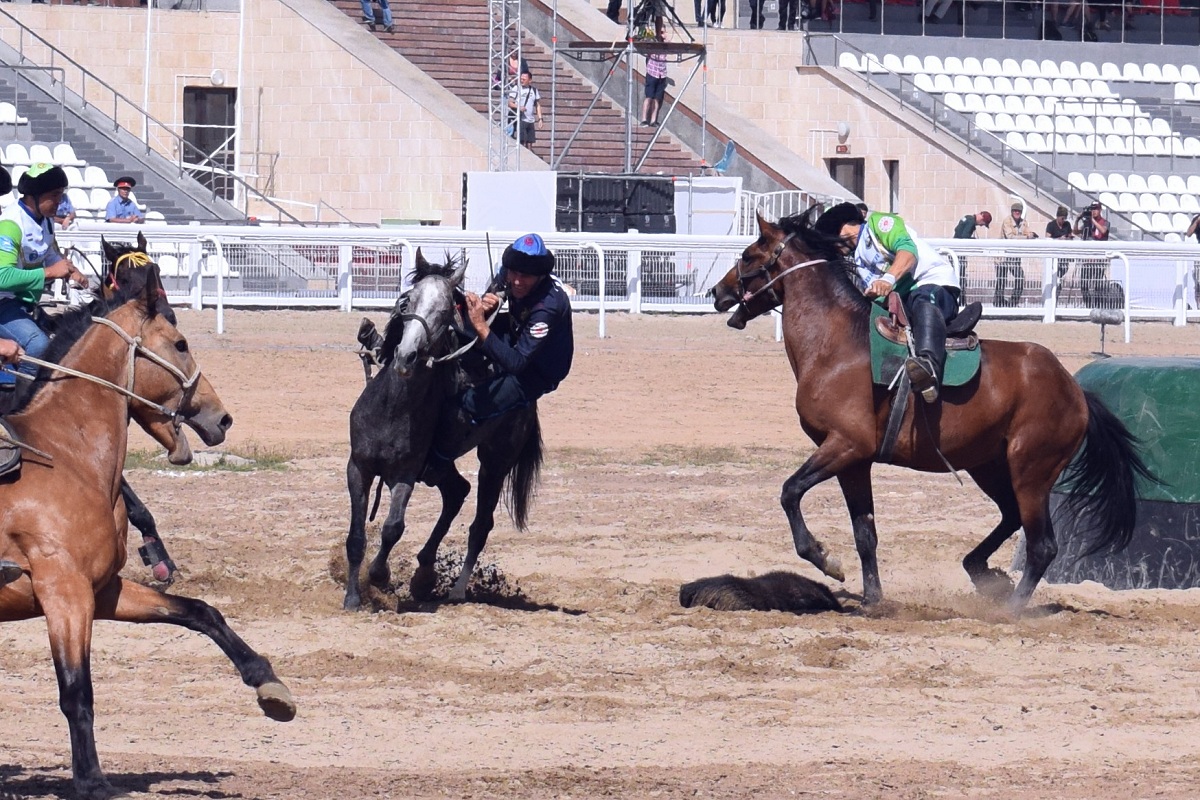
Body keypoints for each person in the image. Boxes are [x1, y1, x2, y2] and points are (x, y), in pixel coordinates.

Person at [421, 233, 574, 485]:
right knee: (461, 328)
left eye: (524, 276)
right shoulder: (510, 273)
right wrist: (484, 305)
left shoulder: (549, 306)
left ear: (540, 275)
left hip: (538, 370)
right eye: (512, 273)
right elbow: (490, 301)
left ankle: (437, 461)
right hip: (516, 332)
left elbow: (516, 364)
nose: (515, 280)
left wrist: (481, 325)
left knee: (469, 403)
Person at [815, 202, 961, 404]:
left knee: (924, 299)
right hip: (901, 300)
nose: (836, 246)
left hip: (934, 284)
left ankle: (929, 368)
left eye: (835, 237)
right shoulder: (857, 257)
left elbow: (908, 252)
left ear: (847, 224)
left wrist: (887, 279)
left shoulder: (879, 224)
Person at [0, 163, 89, 388]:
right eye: (54, 195)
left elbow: (47, 251)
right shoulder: (10, 225)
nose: (59, 202)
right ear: (34, 196)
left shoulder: (46, 220)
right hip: (4, 301)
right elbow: (2, 276)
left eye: (61, 195)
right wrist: (50, 272)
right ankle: (18, 402)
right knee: (38, 346)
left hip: (22, 301)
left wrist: (66, 268)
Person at [995, 201, 1036, 307]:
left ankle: (1013, 302)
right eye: (1015, 211)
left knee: (1020, 278)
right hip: (1003, 255)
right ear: (1012, 212)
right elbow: (1010, 237)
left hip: (1015, 257)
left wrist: (1031, 235)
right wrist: (1027, 237)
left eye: (1019, 211)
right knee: (1001, 279)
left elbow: (1027, 233)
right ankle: (998, 302)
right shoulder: (1007, 221)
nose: (1017, 212)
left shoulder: (1024, 222)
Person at [1075, 202, 1113, 308]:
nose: (1094, 211)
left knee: (1097, 285)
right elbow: (1076, 232)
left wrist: (1092, 220)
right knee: (1084, 284)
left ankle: (1097, 305)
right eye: (1092, 209)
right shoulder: (1087, 224)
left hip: (1099, 260)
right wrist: (1078, 220)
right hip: (1087, 260)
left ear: (1100, 210)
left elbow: (1103, 231)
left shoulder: (1105, 222)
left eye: (1096, 209)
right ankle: (1088, 305)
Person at [952, 210, 990, 289]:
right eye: (983, 223)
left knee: (957, 273)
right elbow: (965, 236)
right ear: (982, 218)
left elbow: (957, 230)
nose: (981, 225)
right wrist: (974, 240)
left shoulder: (967, 217)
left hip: (955, 251)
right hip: (959, 252)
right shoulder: (971, 222)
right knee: (960, 275)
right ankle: (961, 296)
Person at [640, 18, 668, 128]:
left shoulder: (665, 43)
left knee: (657, 98)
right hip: (652, 72)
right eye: (660, 32)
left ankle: (653, 120)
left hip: (661, 73)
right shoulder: (652, 41)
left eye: (662, 32)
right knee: (649, 97)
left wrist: (664, 36)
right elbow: (646, 43)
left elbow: (668, 42)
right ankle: (644, 119)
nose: (661, 34)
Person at [507, 71, 542, 149]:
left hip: (530, 120)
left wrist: (540, 119)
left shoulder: (534, 90)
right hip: (520, 119)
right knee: (522, 140)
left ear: (530, 80)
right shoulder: (516, 88)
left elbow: (538, 105)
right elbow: (510, 103)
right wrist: (519, 107)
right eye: (521, 79)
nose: (522, 80)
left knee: (530, 142)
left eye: (524, 79)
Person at [1045, 205, 1075, 287]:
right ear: (1058, 216)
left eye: (1065, 218)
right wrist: (1058, 239)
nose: (1063, 220)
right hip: (1054, 253)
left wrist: (1068, 238)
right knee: (1053, 271)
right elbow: (1047, 239)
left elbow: (1070, 235)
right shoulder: (1051, 225)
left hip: (1064, 254)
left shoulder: (1067, 224)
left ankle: (1058, 280)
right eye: (1062, 218)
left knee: (1064, 269)